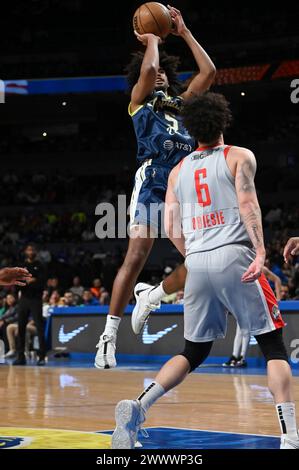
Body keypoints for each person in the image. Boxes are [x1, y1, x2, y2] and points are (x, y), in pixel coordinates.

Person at [112, 92, 299, 449]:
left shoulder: (179, 171)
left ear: (191, 128)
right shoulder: (239, 156)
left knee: (193, 352)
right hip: (236, 256)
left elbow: (170, 223)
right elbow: (247, 202)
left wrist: (194, 255)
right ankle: (290, 437)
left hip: (197, 262)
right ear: (223, 121)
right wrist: (260, 251)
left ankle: (138, 406)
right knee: (273, 346)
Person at [95, 4, 216, 368]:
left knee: (202, 261)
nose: (159, 74)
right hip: (153, 180)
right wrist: (151, 40)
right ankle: (108, 337)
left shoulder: (181, 105)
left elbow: (209, 71)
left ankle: (153, 296)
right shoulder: (139, 103)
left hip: (184, 184)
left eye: (165, 71)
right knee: (136, 255)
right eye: (156, 71)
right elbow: (147, 69)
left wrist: (183, 32)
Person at [223, 266, 283, 367]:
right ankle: (235, 356)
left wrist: (278, 299)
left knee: (246, 331)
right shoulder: (239, 268)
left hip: (256, 304)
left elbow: (277, 280)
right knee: (240, 331)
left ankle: (242, 358)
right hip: (243, 303)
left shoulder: (261, 268)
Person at [13, 244, 47, 366]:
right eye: (28, 250)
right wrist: (30, 281)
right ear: (25, 252)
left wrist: (33, 282)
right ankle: (20, 356)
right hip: (24, 300)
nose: (30, 251)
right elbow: (17, 282)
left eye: (32, 249)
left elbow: (42, 283)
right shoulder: (21, 266)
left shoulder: (40, 266)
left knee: (39, 327)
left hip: (36, 300)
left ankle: (42, 356)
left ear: (35, 252)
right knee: (21, 328)